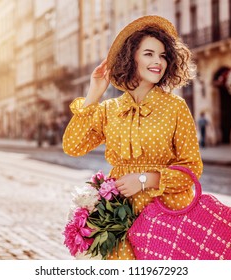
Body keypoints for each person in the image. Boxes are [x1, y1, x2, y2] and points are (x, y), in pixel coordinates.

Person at [63, 15, 203, 260]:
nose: (158, 62)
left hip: (164, 215)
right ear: (131, 58)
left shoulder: (176, 107)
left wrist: (146, 178)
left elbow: (192, 169)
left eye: (162, 55)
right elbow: (73, 145)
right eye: (149, 54)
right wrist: (94, 93)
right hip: (119, 217)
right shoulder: (110, 109)